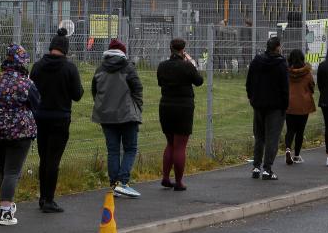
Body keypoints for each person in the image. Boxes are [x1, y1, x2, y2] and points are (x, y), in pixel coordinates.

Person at [0, 43, 40, 226]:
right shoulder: (26, 83)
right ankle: (5, 212)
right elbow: (36, 104)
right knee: (12, 172)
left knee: (4, 171)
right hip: (20, 132)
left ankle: (6, 205)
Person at [30, 28, 84, 213]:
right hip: (60, 118)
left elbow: (30, 90)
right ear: (66, 50)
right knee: (54, 159)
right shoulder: (69, 68)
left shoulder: (37, 66)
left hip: (40, 117)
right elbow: (77, 95)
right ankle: (49, 199)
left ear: (51, 47)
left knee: (43, 157)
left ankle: (43, 196)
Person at [92, 38, 144, 197]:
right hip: (127, 115)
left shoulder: (100, 69)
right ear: (123, 52)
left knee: (113, 150)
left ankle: (114, 183)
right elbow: (137, 88)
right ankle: (123, 182)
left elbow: (95, 91)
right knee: (130, 149)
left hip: (106, 115)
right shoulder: (128, 68)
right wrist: (138, 106)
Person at [156, 38, 204, 191]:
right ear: (183, 50)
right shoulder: (187, 66)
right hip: (183, 107)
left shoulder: (162, 66)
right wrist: (191, 63)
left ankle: (165, 177)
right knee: (180, 146)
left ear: (170, 49)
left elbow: (160, 82)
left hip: (166, 106)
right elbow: (199, 81)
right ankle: (178, 181)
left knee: (170, 143)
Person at [246, 36, 289, 180]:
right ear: (278, 47)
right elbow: (285, 87)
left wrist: (252, 98)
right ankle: (267, 168)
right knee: (272, 138)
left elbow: (249, 82)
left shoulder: (257, 61)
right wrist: (285, 105)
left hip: (259, 104)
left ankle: (256, 166)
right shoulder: (281, 64)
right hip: (276, 106)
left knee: (259, 137)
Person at [284, 48, 315, 165]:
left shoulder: (287, 72)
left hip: (289, 104)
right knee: (300, 131)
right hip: (303, 105)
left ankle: (287, 149)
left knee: (290, 129)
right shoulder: (307, 73)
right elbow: (312, 86)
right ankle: (296, 155)